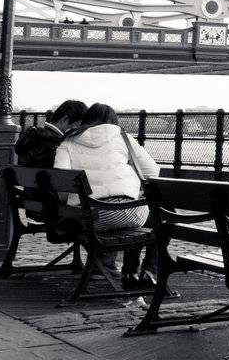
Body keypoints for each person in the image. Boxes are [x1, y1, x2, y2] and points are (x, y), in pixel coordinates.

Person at [53, 103, 159, 284]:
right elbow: (152, 172)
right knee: (161, 218)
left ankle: (125, 270)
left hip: (91, 218)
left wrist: (67, 206)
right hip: (130, 214)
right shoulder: (123, 137)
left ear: (86, 120)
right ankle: (144, 271)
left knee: (143, 218)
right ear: (113, 121)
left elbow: (60, 179)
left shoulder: (68, 141)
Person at [15, 99, 89, 169]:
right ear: (65, 120)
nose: (79, 131)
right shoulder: (57, 146)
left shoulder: (30, 137)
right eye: (78, 126)